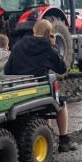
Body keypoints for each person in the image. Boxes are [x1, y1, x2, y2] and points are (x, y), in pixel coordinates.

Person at [4, 19, 76, 152]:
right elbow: (62, 69)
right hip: (37, 91)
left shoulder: (18, 45)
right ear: (50, 34)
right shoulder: (48, 48)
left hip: (17, 91)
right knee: (61, 103)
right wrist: (53, 45)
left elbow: (7, 70)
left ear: (33, 31)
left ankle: (48, 133)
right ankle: (64, 140)